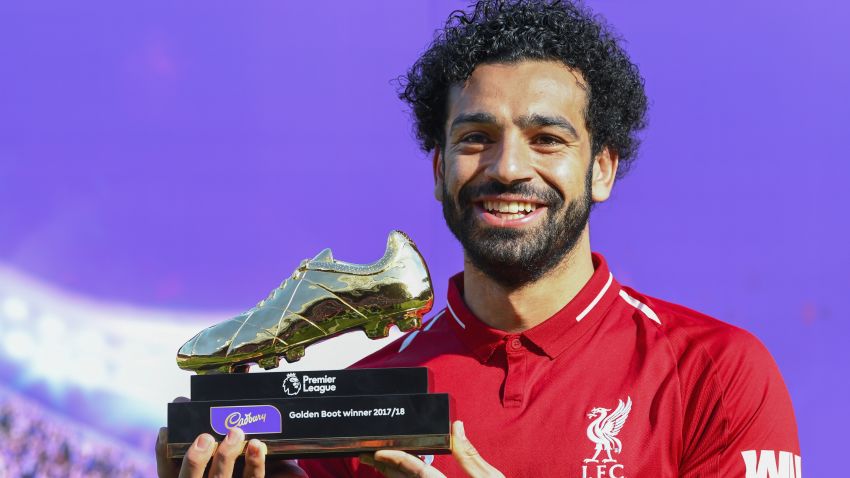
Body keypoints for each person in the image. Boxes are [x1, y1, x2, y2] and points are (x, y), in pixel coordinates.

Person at [156, 0, 801, 476]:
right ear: (439, 169)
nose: (509, 167)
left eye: (547, 139)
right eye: (475, 139)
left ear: (601, 168)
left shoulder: (716, 374)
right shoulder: (361, 405)